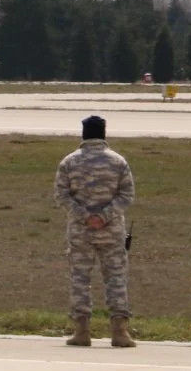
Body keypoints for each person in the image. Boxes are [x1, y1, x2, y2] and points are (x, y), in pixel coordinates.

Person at [54, 115, 136, 347]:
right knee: (116, 279)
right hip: (112, 231)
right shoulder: (118, 162)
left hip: (81, 232)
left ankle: (81, 331)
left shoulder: (69, 162)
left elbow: (61, 196)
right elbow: (127, 195)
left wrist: (85, 216)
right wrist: (105, 216)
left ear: (83, 133)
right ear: (104, 133)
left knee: (80, 280)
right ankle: (120, 332)